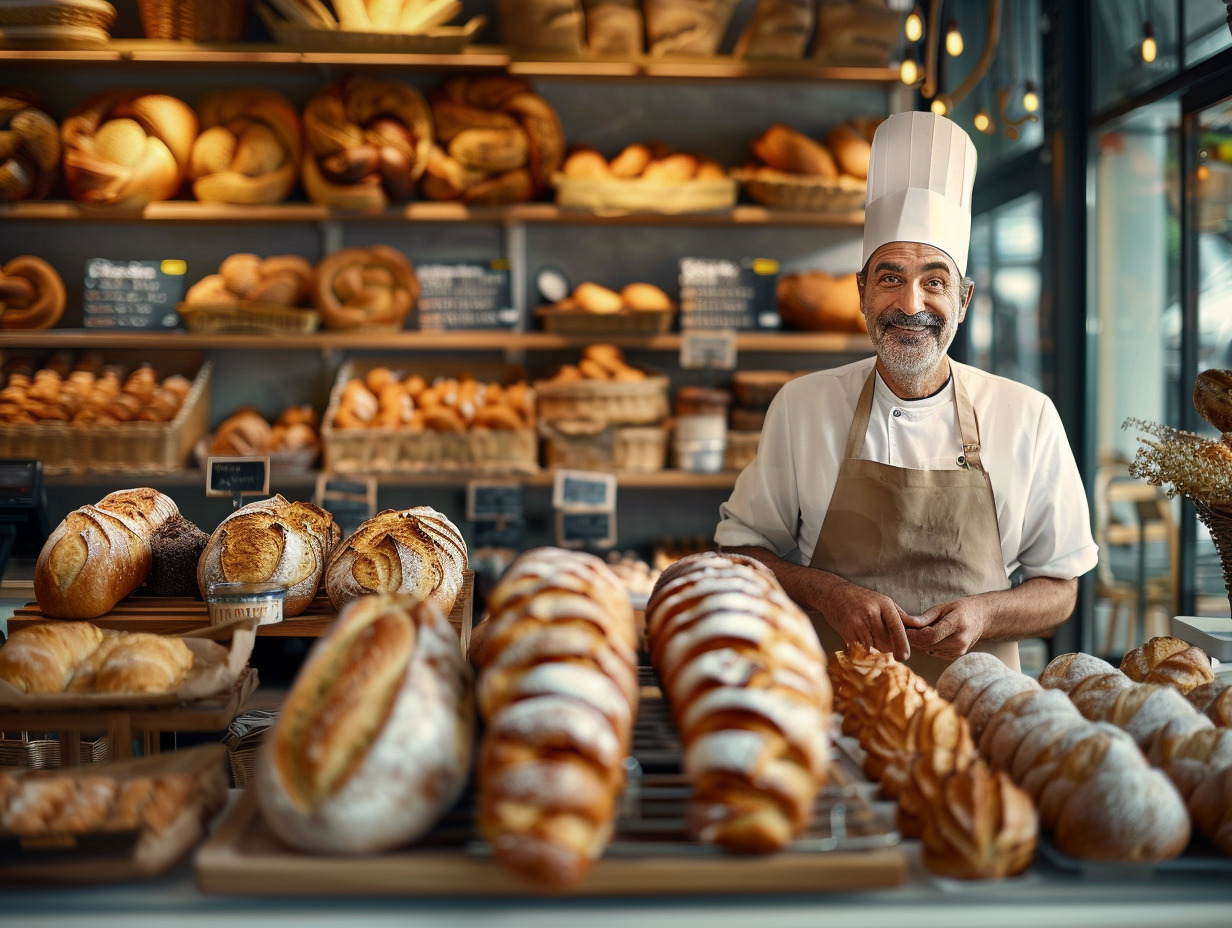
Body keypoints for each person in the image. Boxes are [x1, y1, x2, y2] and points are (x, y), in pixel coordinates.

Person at [714, 111, 1098, 683]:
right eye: (889, 277)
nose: (910, 303)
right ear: (862, 294)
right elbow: (741, 554)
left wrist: (986, 613)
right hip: (833, 709)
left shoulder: (1028, 416)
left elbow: (1062, 588)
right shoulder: (802, 407)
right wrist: (828, 593)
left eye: (934, 281)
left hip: (981, 717)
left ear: (964, 300)